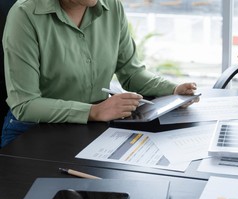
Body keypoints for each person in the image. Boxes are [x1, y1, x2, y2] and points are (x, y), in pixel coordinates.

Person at [1, 0, 197, 147]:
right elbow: (25, 104)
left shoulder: (111, 7)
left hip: (93, 127)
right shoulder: (25, 15)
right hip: (32, 131)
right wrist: (93, 111)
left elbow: (132, 74)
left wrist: (173, 89)